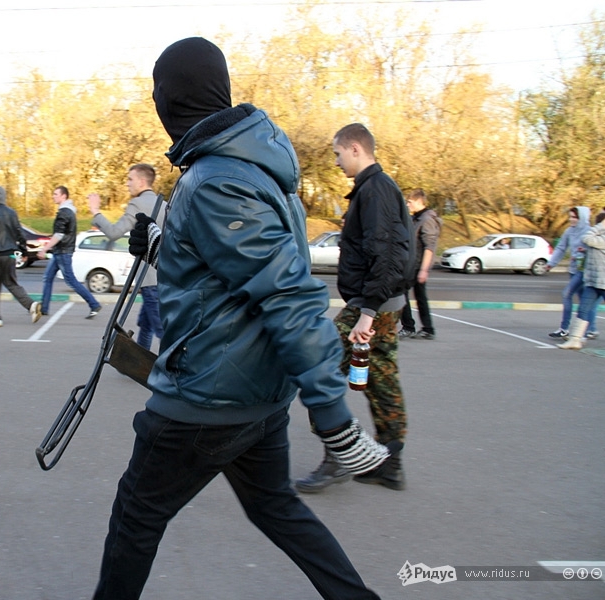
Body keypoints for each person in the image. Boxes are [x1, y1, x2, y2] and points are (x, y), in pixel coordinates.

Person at [93, 37, 395, 600]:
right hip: (257, 394)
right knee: (275, 507)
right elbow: (227, 269)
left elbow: (287, 293)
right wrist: (161, 242)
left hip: (207, 398)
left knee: (135, 518)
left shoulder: (214, 180)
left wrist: (332, 416)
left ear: (169, 100)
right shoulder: (246, 166)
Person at [296, 123, 414, 494]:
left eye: (337, 153)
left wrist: (366, 313)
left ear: (356, 150)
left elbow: (388, 254)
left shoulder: (375, 190)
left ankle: (339, 456)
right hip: (383, 303)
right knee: (382, 380)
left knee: (319, 367)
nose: (335, 161)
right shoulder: (376, 188)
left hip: (372, 305)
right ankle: (390, 464)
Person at [87, 164, 164, 350]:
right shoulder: (165, 204)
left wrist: (96, 211)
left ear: (142, 181)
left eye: (130, 179)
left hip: (149, 278)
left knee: (162, 330)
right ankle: (138, 364)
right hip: (164, 275)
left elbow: (114, 232)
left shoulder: (138, 204)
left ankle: (177, 372)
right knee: (145, 324)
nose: (127, 184)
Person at [0, 186, 41, 327]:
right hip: (11, 255)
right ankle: (31, 305)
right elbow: (20, 233)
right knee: (11, 283)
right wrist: (24, 251)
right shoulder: (12, 213)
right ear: (4, 197)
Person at [37, 186, 102, 319]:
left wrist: (44, 249)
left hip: (63, 252)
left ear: (63, 196)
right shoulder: (67, 212)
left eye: (56, 194)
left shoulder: (64, 212)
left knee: (71, 280)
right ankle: (44, 308)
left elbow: (59, 235)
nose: (53, 196)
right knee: (48, 278)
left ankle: (94, 304)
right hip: (60, 251)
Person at [545, 206, 598, 340]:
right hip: (574, 270)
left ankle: (564, 328)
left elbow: (595, 250)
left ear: (582, 218)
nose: (571, 220)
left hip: (585, 271)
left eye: (574, 217)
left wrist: (583, 253)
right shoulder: (569, 231)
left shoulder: (590, 231)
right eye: (570, 217)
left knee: (567, 293)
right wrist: (551, 263)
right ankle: (590, 329)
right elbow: (561, 247)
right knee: (585, 301)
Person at [399, 189, 441, 340]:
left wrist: (424, 270)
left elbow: (429, 247)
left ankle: (409, 327)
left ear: (418, 202)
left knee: (400, 292)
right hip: (413, 265)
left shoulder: (427, 220)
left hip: (417, 266)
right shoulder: (417, 218)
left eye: (409, 202)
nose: (407, 204)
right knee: (419, 297)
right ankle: (427, 329)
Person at [559, 211, 605, 349]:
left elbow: (586, 238)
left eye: (598, 224)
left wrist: (601, 225)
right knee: (583, 310)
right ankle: (575, 340)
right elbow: (590, 245)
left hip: (603, 282)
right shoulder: (599, 236)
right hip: (592, 281)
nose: (595, 226)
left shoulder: (600, 237)